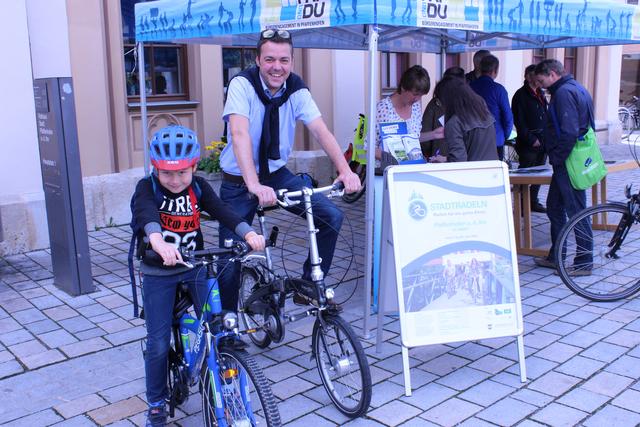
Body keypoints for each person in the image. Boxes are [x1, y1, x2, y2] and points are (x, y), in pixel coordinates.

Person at [131, 125, 266, 427]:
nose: (175, 180)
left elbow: (223, 211)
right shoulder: (146, 188)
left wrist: (248, 232)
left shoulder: (199, 187)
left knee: (219, 326)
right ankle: (155, 402)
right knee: (156, 342)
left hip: (195, 267)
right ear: (156, 169)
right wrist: (158, 242)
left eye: (182, 172)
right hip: (158, 271)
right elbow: (146, 216)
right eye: (167, 173)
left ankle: (226, 376)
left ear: (194, 167)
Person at [219, 29, 361, 311]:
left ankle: (307, 286)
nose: (277, 67)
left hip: (276, 174)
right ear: (258, 60)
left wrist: (345, 170)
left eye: (284, 60)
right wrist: (253, 184)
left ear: (292, 62)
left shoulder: (295, 88)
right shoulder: (242, 85)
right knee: (230, 256)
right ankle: (226, 328)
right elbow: (239, 134)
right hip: (238, 180)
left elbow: (320, 130)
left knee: (330, 215)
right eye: (270, 59)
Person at [533, 59, 594, 274]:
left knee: (576, 210)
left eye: (541, 80)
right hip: (570, 160)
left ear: (552, 74)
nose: (541, 85)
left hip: (568, 162)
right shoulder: (578, 88)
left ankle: (585, 261)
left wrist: (557, 158)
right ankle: (556, 255)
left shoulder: (564, 93)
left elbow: (569, 131)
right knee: (555, 207)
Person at [375, 65, 444, 172]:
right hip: (386, 173)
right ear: (403, 87)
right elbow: (367, 148)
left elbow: (412, 138)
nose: (417, 99)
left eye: (421, 95)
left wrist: (434, 134)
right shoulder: (382, 109)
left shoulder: (415, 107)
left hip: (410, 171)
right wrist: (391, 157)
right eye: (415, 94)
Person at [433, 76, 498, 162]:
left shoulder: (454, 124)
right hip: (493, 171)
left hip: (472, 174)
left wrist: (445, 160)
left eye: (439, 102)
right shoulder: (483, 113)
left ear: (447, 100)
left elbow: (458, 160)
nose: (440, 106)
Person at [511, 64, 548, 213]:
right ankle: (520, 204)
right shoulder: (520, 95)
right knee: (525, 174)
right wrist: (531, 139)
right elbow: (519, 121)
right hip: (529, 143)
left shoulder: (541, 93)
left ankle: (533, 201)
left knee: (539, 174)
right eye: (535, 75)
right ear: (528, 76)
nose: (539, 79)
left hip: (543, 140)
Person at [470, 54, 514, 161]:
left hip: (474, 138)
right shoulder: (499, 90)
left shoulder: (470, 87)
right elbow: (508, 117)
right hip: (495, 139)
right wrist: (504, 136)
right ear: (495, 70)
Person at [420, 66, 465, 158]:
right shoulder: (470, 105)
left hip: (438, 160)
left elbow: (425, 139)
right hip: (463, 161)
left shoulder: (435, 103)